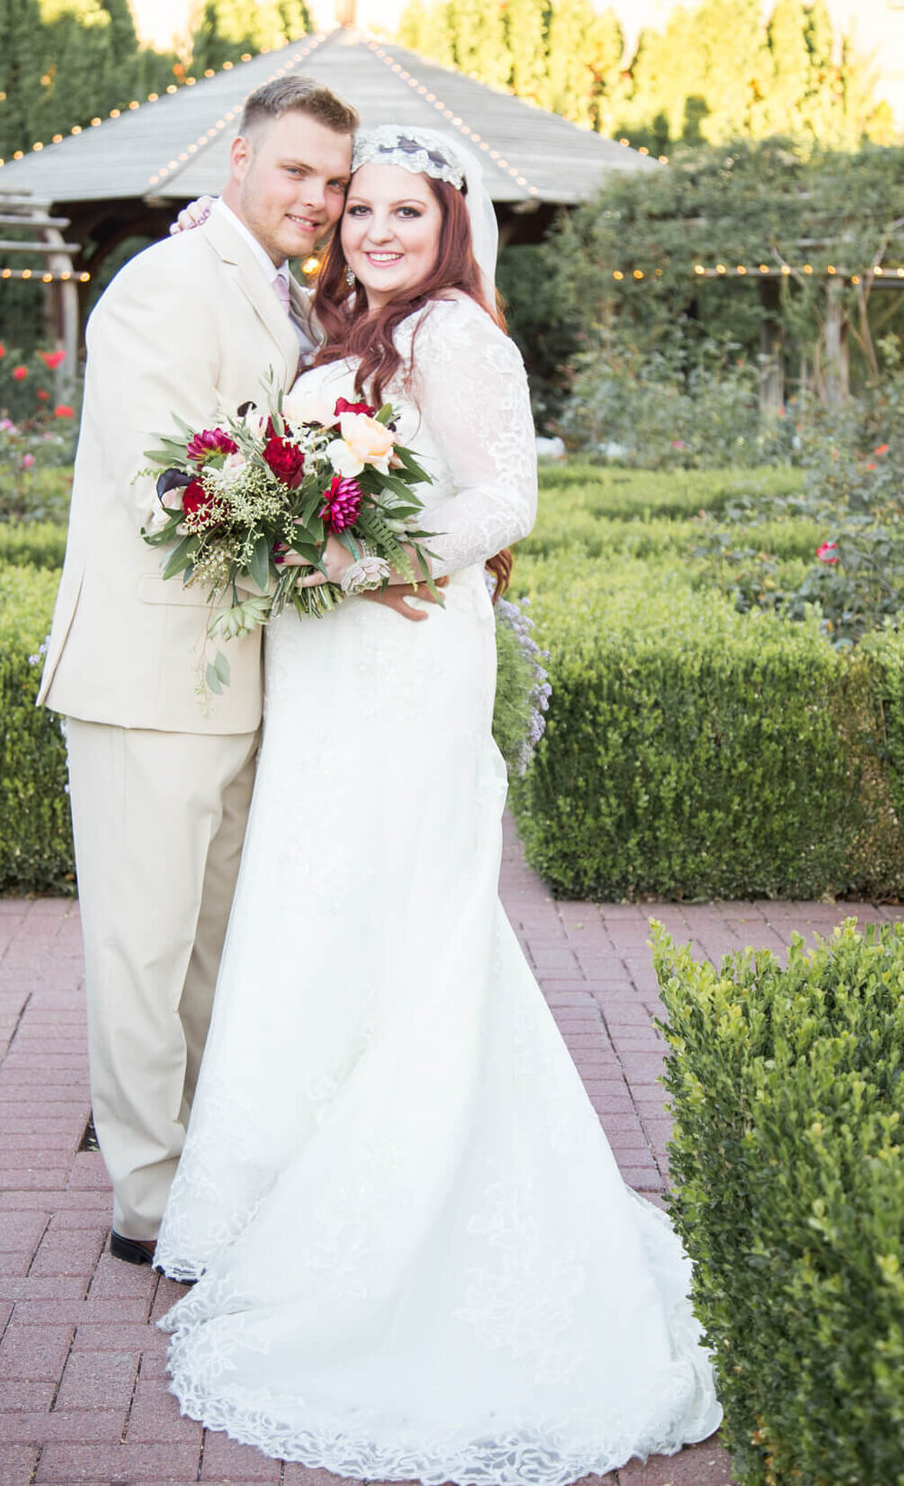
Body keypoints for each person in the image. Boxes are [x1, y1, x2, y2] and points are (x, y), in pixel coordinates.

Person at [153, 125, 722, 1485]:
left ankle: (408, 1190)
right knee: (313, 894)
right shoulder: (341, 325)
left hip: (404, 649)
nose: (378, 232)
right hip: (329, 657)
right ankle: (287, 1180)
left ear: (450, 223)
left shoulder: (460, 337)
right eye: (361, 213)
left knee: (396, 900)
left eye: (406, 213)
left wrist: (369, 554)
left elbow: (506, 493)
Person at [37, 78, 433, 1267]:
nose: (318, 200)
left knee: (213, 947)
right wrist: (350, 549)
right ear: (240, 160)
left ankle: (205, 1159)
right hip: (147, 671)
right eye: (298, 173)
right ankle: (148, 1199)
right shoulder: (162, 285)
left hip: (246, 675)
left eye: (334, 181)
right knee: (143, 947)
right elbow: (169, 485)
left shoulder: (282, 296)